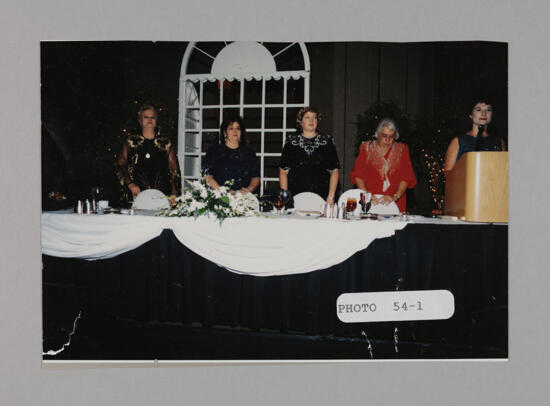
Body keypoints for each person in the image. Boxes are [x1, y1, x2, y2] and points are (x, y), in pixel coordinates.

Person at [115, 105, 181, 203]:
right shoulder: (131, 142)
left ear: (156, 120)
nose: (149, 119)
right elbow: (120, 165)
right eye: (146, 117)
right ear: (140, 121)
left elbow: (174, 169)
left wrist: (174, 193)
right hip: (136, 195)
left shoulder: (165, 143)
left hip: (162, 195)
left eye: (152, 117)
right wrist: (130, 184)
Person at [349, 118, 417, 213]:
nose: (388, 140)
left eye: (391, 136)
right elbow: (358, 176)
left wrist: (395, 196)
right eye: (384, 135)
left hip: (394, 202)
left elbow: (406, 177)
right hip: (371, 200)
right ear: (377, 134)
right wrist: (367, 195)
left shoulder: (402, 149)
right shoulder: (366, 148)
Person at [279, 107, 340, 204]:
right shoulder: (291, 141)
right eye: (307, 118)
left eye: (314, 118)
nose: (311, 120)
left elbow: (334, 171)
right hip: (295, 196)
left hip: (323, 196)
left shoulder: (327, 141)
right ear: (300, 121)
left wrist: (331, 197)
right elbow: (283, 171)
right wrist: (285, 196)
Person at [444, 100, 507, 172]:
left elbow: (504, 171)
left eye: (488, 110)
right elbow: (448, 174)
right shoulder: (458, 141)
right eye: (479, 110)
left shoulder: (499, 141)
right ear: (470, 114)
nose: (484, 113)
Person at [203, 116, 260, 194]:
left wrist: (249, 189)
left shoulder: (249, 153)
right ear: (225, 133)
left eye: (238, 128)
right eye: (231, 128)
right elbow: (207, 176)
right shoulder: (214, 151)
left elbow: (256, 177)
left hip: (244, 198)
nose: (235, 131)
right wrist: (224, 193)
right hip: (220, 198)